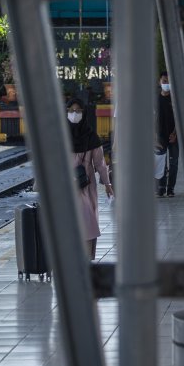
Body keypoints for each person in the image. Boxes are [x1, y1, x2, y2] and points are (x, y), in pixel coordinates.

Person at [65, 98, 114, 259]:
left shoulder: (91, 136)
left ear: (84, 113)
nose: (74, 114)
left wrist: (107, 184)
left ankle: (85, 257)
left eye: (78, 111)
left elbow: (100, 163)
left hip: (85, 186)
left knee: (87, 221)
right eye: (71, 110)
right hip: (66, 186)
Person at [156, 72, 178, 197]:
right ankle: (161, 187)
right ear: (159, 82)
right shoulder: (154, 99)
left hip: (174, 136)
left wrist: (175, 134)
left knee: (174, 162)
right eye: (164, 81)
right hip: (160, 136)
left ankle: (171, 188)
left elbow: (179, 118)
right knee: (161, 162)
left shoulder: (175, 99)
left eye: (168, 82)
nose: (166, 84)